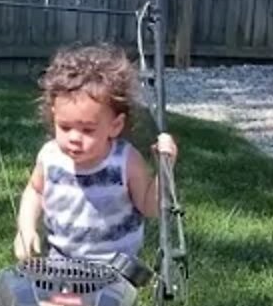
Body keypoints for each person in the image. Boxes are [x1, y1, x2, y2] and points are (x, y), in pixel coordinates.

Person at [13, 43, 177, 263]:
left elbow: (149, 207)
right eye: (65, 127)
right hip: (60, 261)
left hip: (116, 267)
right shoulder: (50, 156)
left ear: (115, 126)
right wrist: (26, 229)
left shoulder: (125, 161)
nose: (74, 137)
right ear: (54, 116)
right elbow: (35, 191)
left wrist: (165, 170)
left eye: (87, 130)